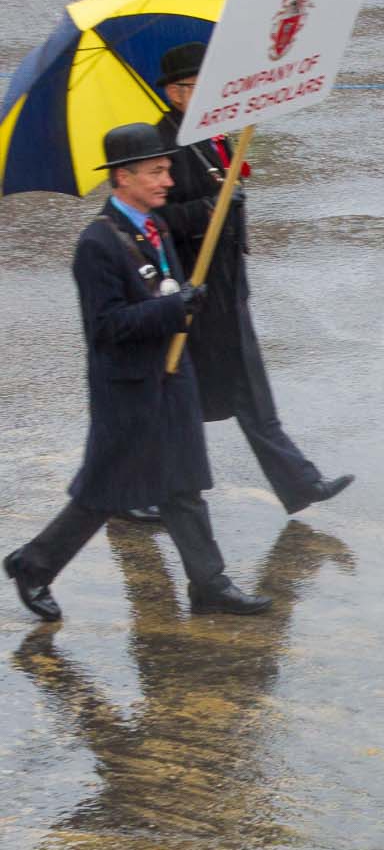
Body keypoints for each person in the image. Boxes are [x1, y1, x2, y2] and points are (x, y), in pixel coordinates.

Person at [4, 125, 271, 623]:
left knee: (183, 485)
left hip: (171, 380)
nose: (167, 180)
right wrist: (173, 310)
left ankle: (209, 585)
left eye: (166, 169)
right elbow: (106, 327)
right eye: (156, 171)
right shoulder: (97, 244)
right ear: (122, 178)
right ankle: (33, 565)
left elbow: (168, 293)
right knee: (103, 493)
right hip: (129, 389)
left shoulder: (157, 228)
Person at [151, 44, 352, 520]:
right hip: (198, 289)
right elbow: (157, 218)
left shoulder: (211, 133)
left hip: (226, 285)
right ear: (173, 93)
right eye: (187, 88)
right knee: (187, 396)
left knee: (240, 392)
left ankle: (300, 484)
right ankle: (134, 489)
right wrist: (208, 210)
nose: (195, 95)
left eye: (202, 86)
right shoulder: (163, 142)